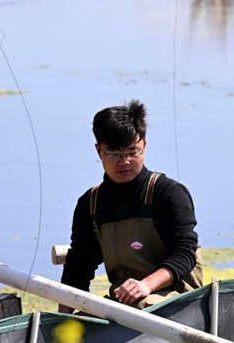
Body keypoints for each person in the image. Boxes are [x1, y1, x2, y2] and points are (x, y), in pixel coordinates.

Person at [58, 99, 202, 313]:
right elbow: (78, 268)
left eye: (132, 152)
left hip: (178, 300)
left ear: (144, 145)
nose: (124, 161)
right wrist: (61, 324)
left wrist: (146, 285)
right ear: (99, 151)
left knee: (138, 306)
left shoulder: (168, 193)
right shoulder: (90, 204)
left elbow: (184, 254)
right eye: (114, 154)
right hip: (125, 305)